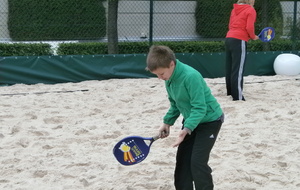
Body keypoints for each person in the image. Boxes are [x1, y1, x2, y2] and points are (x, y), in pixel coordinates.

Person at [146, 45, 224, 190]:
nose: (160, 78)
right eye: (156, 75)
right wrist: (167, 122)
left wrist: (186, 129)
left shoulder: (190, 76)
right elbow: (175, 104)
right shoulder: (169, 78)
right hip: (191, 120)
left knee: (197, 163)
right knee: (182, 162)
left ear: (171, 64)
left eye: (161, 73)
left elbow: (200, 108)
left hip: (210, 121)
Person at [225, 0, 259, 101]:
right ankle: (238, 97)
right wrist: (253, 37)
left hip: (229, 38)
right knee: (238, 69)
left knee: (230, 67)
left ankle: (230, 91)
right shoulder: (250, 10)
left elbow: (230, 25)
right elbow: (249, 27)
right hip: (239, 40)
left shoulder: (234, 9)